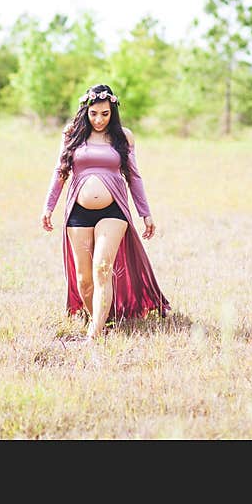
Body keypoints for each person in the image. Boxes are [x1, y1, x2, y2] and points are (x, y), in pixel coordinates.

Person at [41, 84, 171, 341]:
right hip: (78, 211)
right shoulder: (71, 134)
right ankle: (99, 319)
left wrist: (145, 212)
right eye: (94, 114)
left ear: (113, 111)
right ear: (85, 112)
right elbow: (60, 173)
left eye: (105, 114)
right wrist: (48, 206)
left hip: (114, 211)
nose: (99, 119)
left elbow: (133, 176)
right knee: (84, 279)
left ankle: (95, 334)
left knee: (102, 267)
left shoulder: (124, 137)